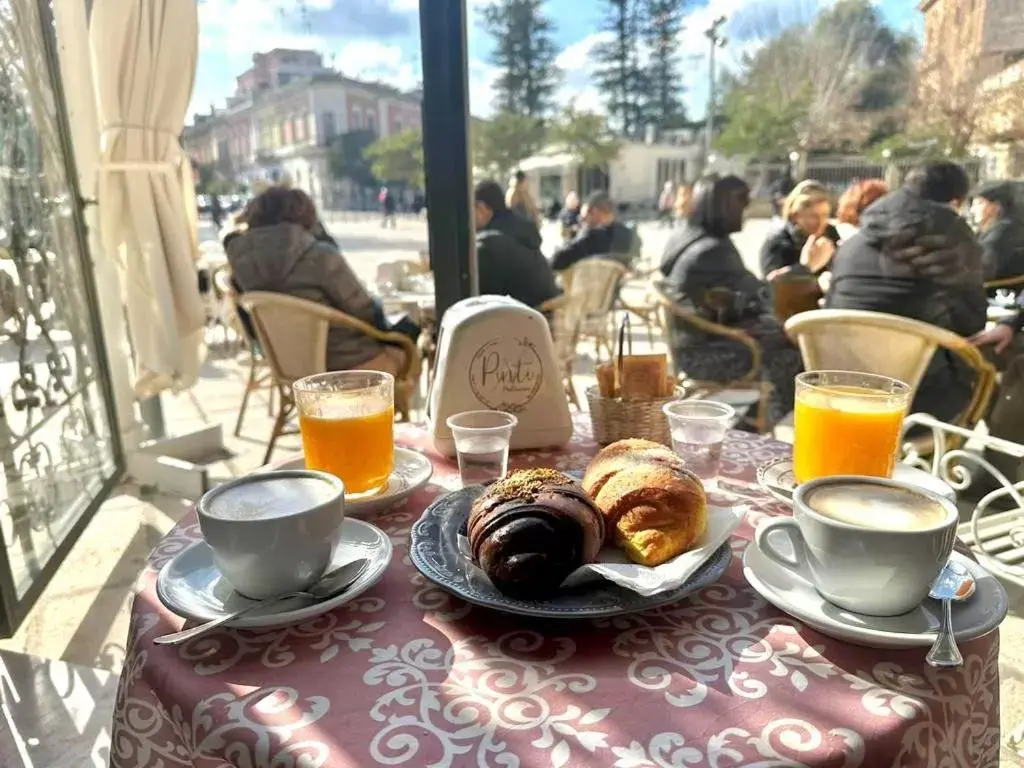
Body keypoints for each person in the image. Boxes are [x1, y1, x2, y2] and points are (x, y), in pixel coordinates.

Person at [826, 161, 986, 422]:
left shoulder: (853, 243)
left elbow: (830, 308)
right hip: (917, 402)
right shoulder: (954, 241)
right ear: (955, 202)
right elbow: (972, 323)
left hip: (837, 391)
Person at [226, 186, 417, 375]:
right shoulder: (320, 257)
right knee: (411, 347)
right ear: (306, 217)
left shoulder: (240, 263)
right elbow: (363, 309)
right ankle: (395, 404)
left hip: (287, 367)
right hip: (346, 364)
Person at [659, 174, 803, 424]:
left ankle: (752, 421)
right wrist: (804, 268)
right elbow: (761, 297)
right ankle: (756, 429)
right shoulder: (714, 249)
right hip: (705, 355)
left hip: (688, 344)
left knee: (778, 339)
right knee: (792, 356)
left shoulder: (684, 236)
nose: (745, 213)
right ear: (725, 206)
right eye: (742, 205)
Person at [475, 179, 560, 309]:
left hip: (521, 323)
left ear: (482, 209)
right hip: (547, 319)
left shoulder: (487, 245)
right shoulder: (521, 232)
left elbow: (481, 306)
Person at [760, 182, 840, 279]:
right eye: (813, 216)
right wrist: (806, 268)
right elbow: (772, 284)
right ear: (794, 216)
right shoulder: (777, 243)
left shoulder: (830, 233)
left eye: (824, 215)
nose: (820, 222)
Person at [549, 191, 641, 272]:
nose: (581, 221)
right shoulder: (629, 236)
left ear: (594, 212)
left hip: (584, 288)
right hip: (612, 288)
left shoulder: (590, 238)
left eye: (583, 217)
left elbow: (555, 262)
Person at [971, 181, 1024, 285]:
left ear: (996, 206)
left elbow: (985, 267)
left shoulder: (1006, 231)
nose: (972, 210)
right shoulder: (988, 229)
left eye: (979, 203)